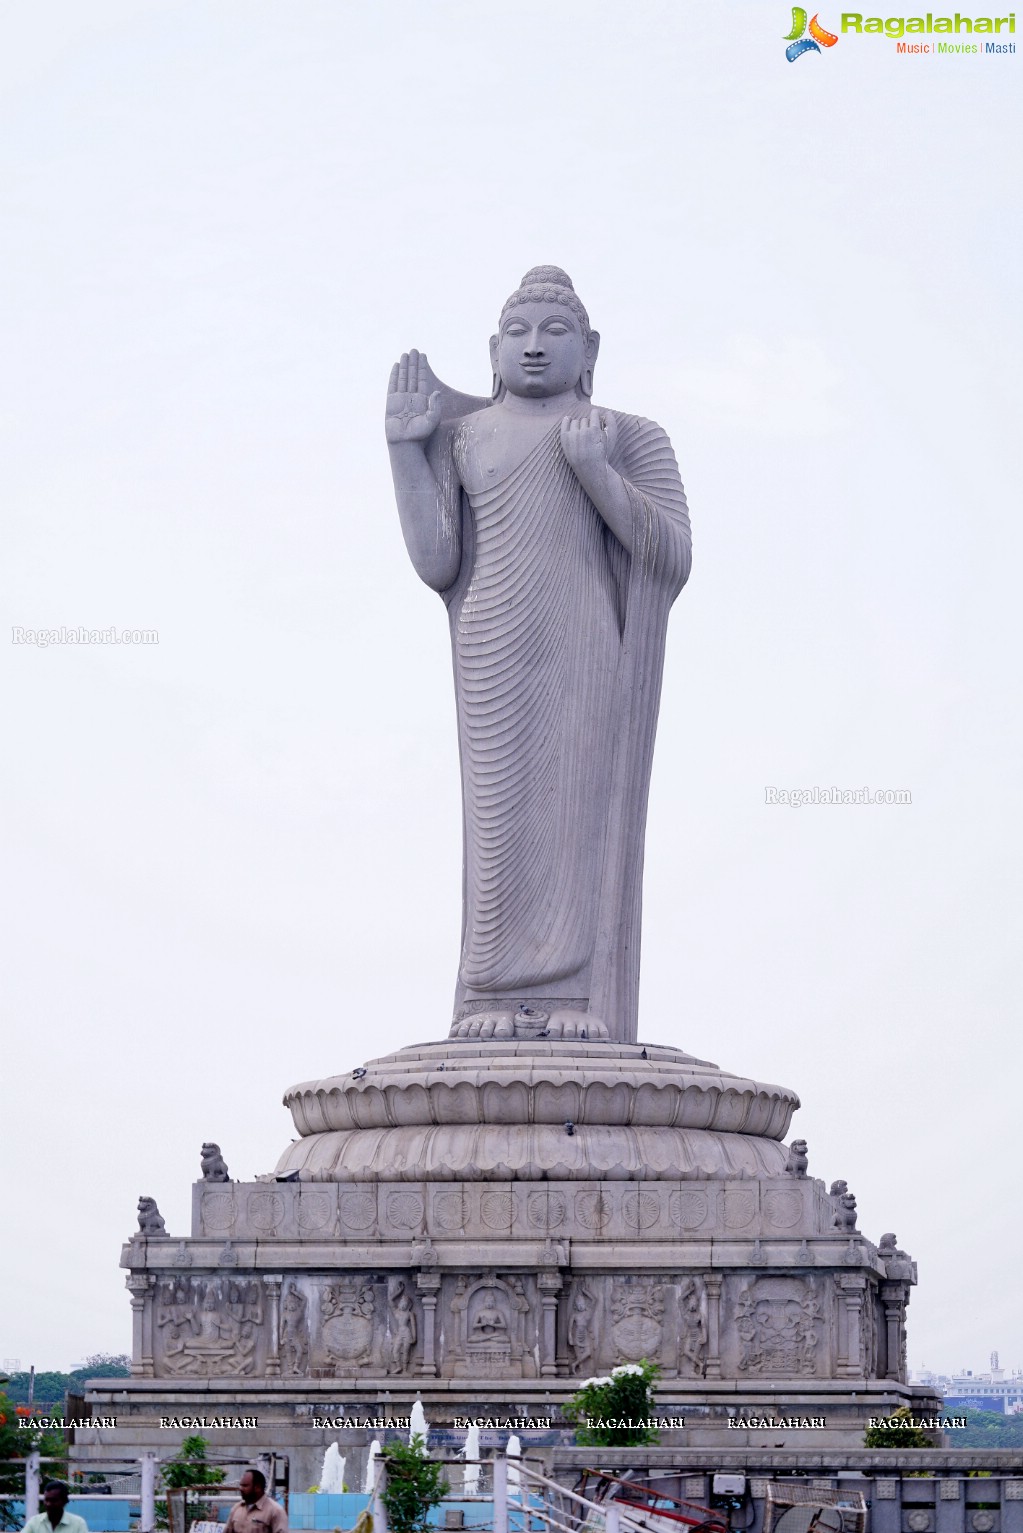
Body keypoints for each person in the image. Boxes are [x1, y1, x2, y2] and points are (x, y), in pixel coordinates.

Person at [386, 266, 691, 1045]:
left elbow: (670, 554)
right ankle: (490, 996)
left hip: (583, 643)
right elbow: (436, 563)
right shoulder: (467, 437)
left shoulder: (628, 436)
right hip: (490, 642)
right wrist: (405, 454)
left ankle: (580, 998)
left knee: (573, 811)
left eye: (552, 333)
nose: (531, 347)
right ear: (492, 349)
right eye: (516, 333)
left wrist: (593, 470)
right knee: (499, 824)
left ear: (588, 349)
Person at [224, 1469, 288, 1533]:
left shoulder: (275, 1511)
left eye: (245, 1485)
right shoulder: (236, 1508)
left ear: (257, 1487)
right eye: (240, 1485)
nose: (240, 1488)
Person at [22, 1481, 89, 1533]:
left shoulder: (78, 1524)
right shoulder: (34, 1522)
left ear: (64, 1501)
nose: (48, 1504)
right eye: (46, 1500)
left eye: (53, 1500)